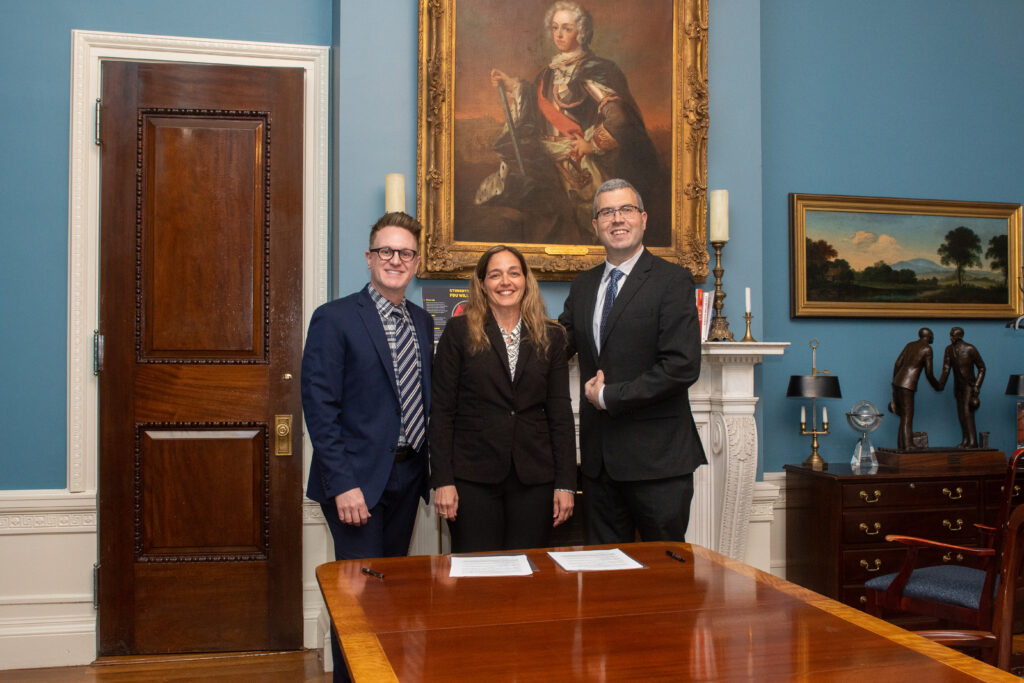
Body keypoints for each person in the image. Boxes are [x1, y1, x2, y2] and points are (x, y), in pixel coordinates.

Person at [301, 212, 431, 681]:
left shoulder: (421, 322)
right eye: (386, 251)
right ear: (369, 258)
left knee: (391, 593)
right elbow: (319, 406)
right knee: (357, 599)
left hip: (407, 475)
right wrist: (343, 484)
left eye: (405, 253)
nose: (396, 260)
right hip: (356, 485)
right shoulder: (334, 318)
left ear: (416, 262)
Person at [558, 178, 705, 544]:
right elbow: (557, 346)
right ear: (595, 225)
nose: (616, 219)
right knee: (603, 578)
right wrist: (499, 332)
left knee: (664, 577)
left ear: (643, 219)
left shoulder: (673, 281)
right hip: (598, 465)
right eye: (607, 212)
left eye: (625, 210)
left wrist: (610, 396)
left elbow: (682, 365)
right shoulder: (583, 285)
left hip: (658, 464)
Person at [477, 1, 666, 245]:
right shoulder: (548, 73)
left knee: (585, 227)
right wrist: (514, 86)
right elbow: (535, 112)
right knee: (539, 223)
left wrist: (592, 144)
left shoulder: (595, 69)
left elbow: (619, 117)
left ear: (582, 32)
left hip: (579, 165)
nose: (559, 34)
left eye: (566, 28)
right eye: (555, 28)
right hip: (546, 161)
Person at [430, 245, 576, 552]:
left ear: (526, 280)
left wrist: (565, 483)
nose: (505, 282)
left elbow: (560, 414)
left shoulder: (552, 335)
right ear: (482, 283)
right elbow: (442, 411)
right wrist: (442, 480)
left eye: (513, 273)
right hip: (472, 478)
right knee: (477, 576)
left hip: (535, 478)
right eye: (495, 275)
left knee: (529, 574)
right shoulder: (458, 332)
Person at [888, 327, 942, 451]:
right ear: (928, 336)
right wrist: (937, 385)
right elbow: (929, 373)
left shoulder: (910, 345)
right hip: (908, 384)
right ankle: (908, 445)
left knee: (903, 416)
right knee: (908, 415)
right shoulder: (927, 349)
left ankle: (902, 445)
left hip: (898, 381)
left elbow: (897, 363)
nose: (933, 337)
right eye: (932, 335)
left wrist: (894, 381)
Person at [937, 326, 986, 448]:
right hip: (958, 386)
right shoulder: (948, 349)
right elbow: (946, 369)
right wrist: (940, 384)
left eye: (952, 335)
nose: (950, 337)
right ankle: (965, 440)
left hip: (969, 386)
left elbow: (982, 367)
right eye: (950, 335)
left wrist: (977, 386)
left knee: (967, 413)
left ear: (958, 336)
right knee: (961, 414)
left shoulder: (970, 348)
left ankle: (973, 442)